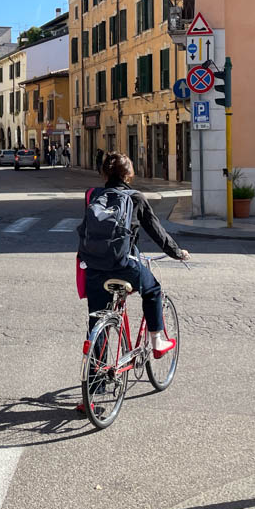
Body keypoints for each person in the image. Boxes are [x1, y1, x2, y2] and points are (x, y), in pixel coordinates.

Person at [78, 152, 189, 361]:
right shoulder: (135, 197)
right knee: (153, 289)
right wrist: (177, 253)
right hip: (124, 264)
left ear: (104, 173)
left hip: (93, 266)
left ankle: (95, 381)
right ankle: (157, 341)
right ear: (128, 174)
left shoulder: (92, 194)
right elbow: (157, 232)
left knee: (97, 320)